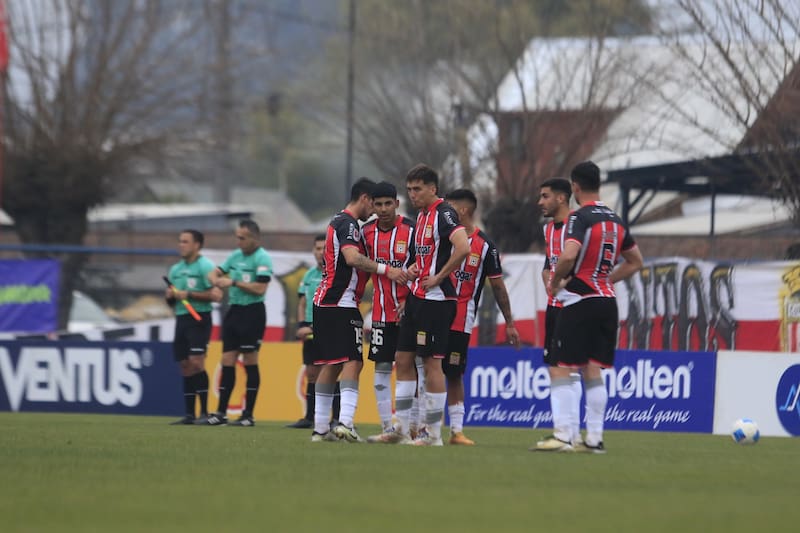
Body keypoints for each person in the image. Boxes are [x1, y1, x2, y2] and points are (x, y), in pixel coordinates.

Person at [534, 161, 643, 453]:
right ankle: (594, 439)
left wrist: (556, 281)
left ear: (575, 187)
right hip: (607, 301)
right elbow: (636, 261)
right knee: (593, 370)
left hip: (579, 300)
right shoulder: (617, 220)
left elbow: (569, 255)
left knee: (560, 367)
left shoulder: (579, 217)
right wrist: (606, 279)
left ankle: (563, 436)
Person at [372, 163, 470, 446]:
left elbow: (463, 247)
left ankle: (433, 434)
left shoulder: (444, 212)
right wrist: (416, 268)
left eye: (417, 189)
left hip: (436, 300)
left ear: (432, 188)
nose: (413, 194)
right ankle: (401, 429)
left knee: (431, 364)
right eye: (410, 189)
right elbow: (426, 256)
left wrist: (439, 276)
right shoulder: (422, 217)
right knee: (402, 360)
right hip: (417, 297)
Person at [311, 178, 407, 443]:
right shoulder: (349, 224)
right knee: (353, 361)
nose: (375, 211)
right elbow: (352, 258)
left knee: (331, 364)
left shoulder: (337, 220)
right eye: (373, 204)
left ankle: (320, 429)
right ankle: (346, 423)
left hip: (323, 301)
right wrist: (387, 270)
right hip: (341, 302)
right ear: (364, 198)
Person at [442, 189, 521, 445]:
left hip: (460, 320)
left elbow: (498, 286)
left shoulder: (485, 246)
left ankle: (456, 431)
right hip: (432, 313)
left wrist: (509, 323)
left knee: (454, 373)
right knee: (424, 367)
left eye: (450, 207)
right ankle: (420, 427)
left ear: (463, 210)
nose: (444, 212)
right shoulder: (441, 236)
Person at [360, 181, 416, 439]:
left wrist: (411, 300)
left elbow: (425, 265)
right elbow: (359, 263)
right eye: (378, 204)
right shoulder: (365, 232)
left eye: (388, 204)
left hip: (410, 311)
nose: (383, 209)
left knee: (413, 368)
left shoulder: (412, 230)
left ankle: (413, 427)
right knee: (382, 368)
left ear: (397, 203)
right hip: (381, 312)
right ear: (372, 205)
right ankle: (387, 428)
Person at [206, 219, 274, 427]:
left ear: (255, 238)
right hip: (234, 311)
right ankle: (221, 413)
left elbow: (260, 288)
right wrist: (216, 284)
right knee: (227, 359)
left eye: (242, 238)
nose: (238, 242)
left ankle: (248, 415)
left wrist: (234, 282)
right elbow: (213, 273)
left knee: (250, 360)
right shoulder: (235, 256)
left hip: (252, 313)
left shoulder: (262, 258)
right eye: (237, 237)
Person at [537, 177, 583, 445]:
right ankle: (570, 434)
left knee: (563, 369)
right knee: (560, 368)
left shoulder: (577, 226)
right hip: (554, 306)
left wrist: (562, 284)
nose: (540, 202)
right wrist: (549, 281)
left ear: (562, 198)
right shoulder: (548, 230)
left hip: (572, 306)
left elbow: (581, 264)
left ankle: (565, 434)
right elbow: (548, 266)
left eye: (545, 196)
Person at [166, 229, 222, 425]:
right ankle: (189, 414)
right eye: (180, 241)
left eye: (185, 241)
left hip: (199, 319)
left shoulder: (205, 266)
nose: (181, 245)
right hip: (181, 319)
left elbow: (216, 295)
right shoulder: (175, 269)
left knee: (197, 362)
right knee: (185, 365)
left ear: (197, 245)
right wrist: (170, 296)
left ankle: (205, 412)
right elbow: (171, 302)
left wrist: (189, 294)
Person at [286, 234, 341, 428]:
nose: (320, 252)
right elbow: (302, 303)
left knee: (331, 372)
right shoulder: (308, 275)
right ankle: (310, 417)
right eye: (317, 248)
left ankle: (337, 418)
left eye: (324, 248)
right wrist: (301, 325)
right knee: (311, 373)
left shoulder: (337, 274)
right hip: (309, 328)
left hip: (329, 328)